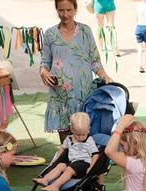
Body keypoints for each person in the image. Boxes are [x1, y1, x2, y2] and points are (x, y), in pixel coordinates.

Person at [40, 0, 113, 144]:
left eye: (68, 10)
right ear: (56, 10)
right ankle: (66, 162)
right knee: (66, 142)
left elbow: (95, 60)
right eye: (61, 10)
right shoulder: (50, 34)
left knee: (83, 134)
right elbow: (45, 62)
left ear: (75, 9)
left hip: (82, 93)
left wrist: (105, 76)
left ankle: (83, 164)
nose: (65, 14)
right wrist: (43, 72)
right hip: (60, 94)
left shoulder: (85, 31)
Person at [33, 112, 99, 191]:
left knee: (69, 169)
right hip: (72, 163)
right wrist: (55, 161)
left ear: (88, 130)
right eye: (78, 134)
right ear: (71, 129)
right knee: (60, 165)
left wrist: (91, 167)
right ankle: (46, 179)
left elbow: (95, 155)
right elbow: (62, 149)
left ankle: (55, 186)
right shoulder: (69, 139)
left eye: (83, 134)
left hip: (84, 165)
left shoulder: (89, 140)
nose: (81, 137)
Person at [135, 0, 146, 73]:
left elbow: (136, 18)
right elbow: (145, 17)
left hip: (138, 27)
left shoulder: (138, 5)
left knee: (139, 48)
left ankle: (140, 65)